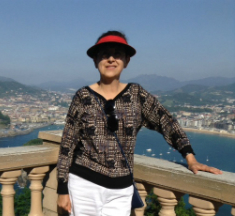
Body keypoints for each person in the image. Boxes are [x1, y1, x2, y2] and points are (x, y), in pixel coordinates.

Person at [57, 30, 222, 216]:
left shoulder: (137, 95)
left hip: (120, 189)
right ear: (95, 61)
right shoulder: (83, 96)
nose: (111, 59)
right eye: (105, 54)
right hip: (83, 184)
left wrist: (190, 157)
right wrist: (62, 190)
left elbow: (166, 121)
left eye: (117, 54)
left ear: (127, 61)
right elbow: (67, 144)